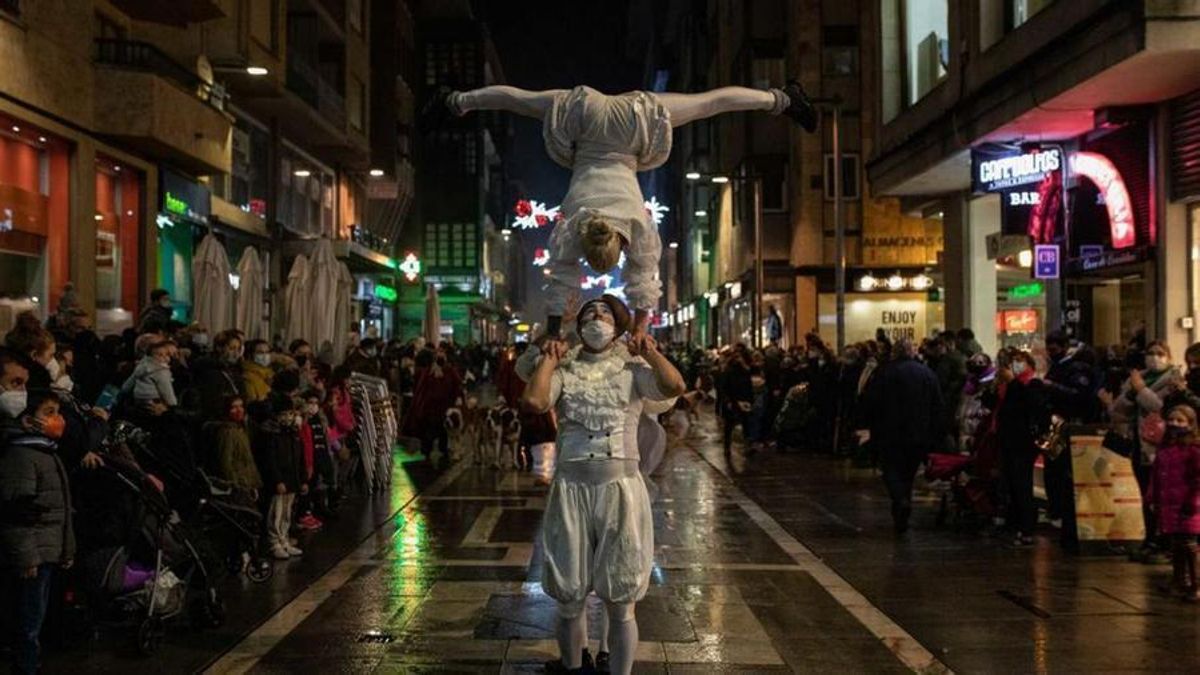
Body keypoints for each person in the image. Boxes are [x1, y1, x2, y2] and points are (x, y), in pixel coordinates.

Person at [443, 83, 816, 339]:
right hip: (590, 118)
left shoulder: (636, 224)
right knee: (523, 101)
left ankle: (455, 100)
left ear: (619, 247)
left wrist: (639, 329)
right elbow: (563, 279)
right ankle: (456, 100)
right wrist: (554, 330)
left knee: (707, 104)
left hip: (630, 130)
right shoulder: (576, 223)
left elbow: (639, 281)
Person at [520, 294, 684, 675]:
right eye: (590, 312)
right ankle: (575, 667)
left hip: (621, 489)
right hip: (571, 489)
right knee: (569, 595)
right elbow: (534, 400)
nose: (597, 317)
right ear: (578, 326)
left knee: (622, 597)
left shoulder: (632, 366)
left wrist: (650, 352)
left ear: (619, 325)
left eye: (605, 312)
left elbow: (674, 385)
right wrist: (549, 358)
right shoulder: (566, 366)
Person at [0, 388, 73, 675]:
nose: (59, 420)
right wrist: (27, 557)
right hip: (35, 555)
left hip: (47, 549)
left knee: (35, 615)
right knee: (28, 619)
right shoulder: (22, 456)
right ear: (28, 421)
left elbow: (60, 510)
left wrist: (67, 549)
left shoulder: (44, 452)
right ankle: (26, 667)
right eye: (49, 413)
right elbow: (17, 513)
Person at [1102, 340, 1184, 563]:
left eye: (1160, 353)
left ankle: (1163, 542)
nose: (1155, 357)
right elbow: (1119, 410)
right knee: (1146, 495)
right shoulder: (1138, 377)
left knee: (1161, 495)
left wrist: (1141, 390)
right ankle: (1149, 539)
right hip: (1140, 446)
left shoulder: (1174, 380)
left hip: (1163, 446)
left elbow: (1160, 407)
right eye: (1151, 353)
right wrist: (1131, 393)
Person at [862, 339, 944, 534]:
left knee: (890, 469)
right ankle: (902, 505)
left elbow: (871, 402)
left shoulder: (884, 373)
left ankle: (900, 500)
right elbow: (937, 404)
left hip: (889, 432)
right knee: (908, 471)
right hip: (918, 433)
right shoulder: (926, 373)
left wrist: (868, 426)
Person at [994, 351, 1049, 545]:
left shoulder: (1033, 384)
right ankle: (1016, 525)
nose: (1015, 365)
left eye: (1019, 361)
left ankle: (1026, 528)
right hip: (1009, 441)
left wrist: (1014, 384)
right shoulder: (1009, 386)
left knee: (1022, 484)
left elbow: (1032, 406)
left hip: (1023, 442)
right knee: (1012, 484)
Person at [1148, 404, 1200, 601]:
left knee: (1189, 544)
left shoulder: (1194, 448)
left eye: (1180, 420)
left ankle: (1196, 584)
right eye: (1171, 420)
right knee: (1176, 544)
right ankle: (1180, 581)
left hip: (1187, 504)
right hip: (1169, 504)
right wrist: (1152, 498)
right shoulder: (1166, 447)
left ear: (1190, 424)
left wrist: (1193, 501)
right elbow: (1156, 475)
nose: (1174, 424)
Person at [255, 394, 306, 560]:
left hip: (292, 478)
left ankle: (284, 539)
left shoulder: (292, 433)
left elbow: (300, 457)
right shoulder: (270, 433)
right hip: (279, 481)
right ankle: (274, 542)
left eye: (290, 413)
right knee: (275, 513)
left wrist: (302, 479)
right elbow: (269, 460)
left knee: (286, 512)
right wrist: (277, 480)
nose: (288, 417)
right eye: (284, 414)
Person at [211, 395, 261, 503]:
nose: (239, 410)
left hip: (246, 483)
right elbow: (225, 462)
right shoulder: (226, 432)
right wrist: (235, 485)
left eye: (241, 406)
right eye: (234, 407)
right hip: (238, 486)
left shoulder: (240, 429)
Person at [120, 340, 178, 409]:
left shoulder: (143, 365)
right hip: (155, 402)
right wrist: (174, 406)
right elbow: (167, 392)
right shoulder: (160, 371)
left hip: (139, 400)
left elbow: (127, 385)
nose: (168, 357)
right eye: (168, 353)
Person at [718, 344, 754, 455]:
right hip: (732, 400)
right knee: (729, 425)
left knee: (746, 423)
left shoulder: (745, 370)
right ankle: (727, 447)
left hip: (743, 399)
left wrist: (750, 399)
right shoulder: (729, 370)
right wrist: (727, 400)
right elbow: (724, 387)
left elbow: (749, 384)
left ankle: (747, 445)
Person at [241, 339, 275, 404]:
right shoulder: (248, 377)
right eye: (260, 352)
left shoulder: (270, 373)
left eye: (267, 352)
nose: (265, 356)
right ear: (251, 355)